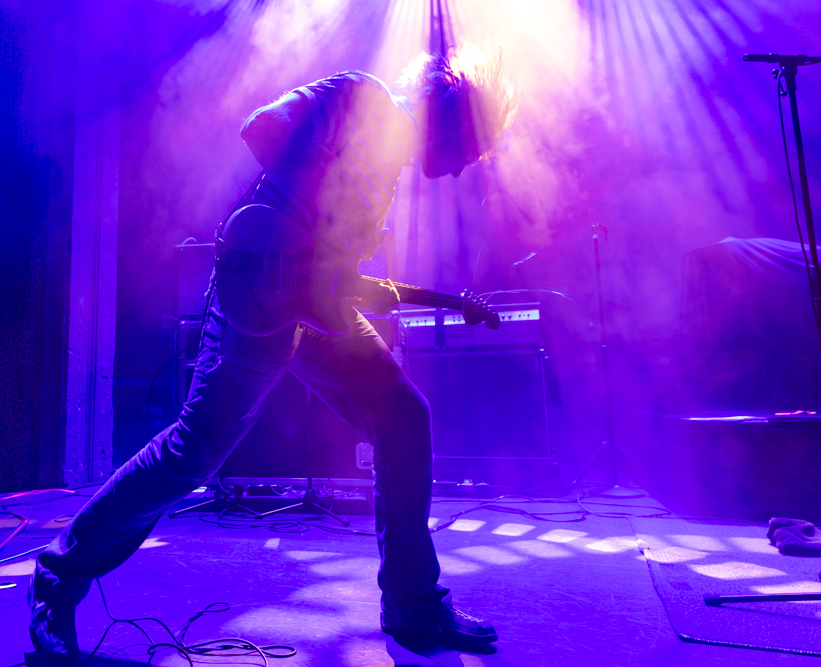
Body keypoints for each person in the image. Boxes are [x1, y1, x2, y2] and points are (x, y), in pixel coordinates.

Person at [28, 48, 517, 665]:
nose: (461, 170)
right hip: (258, 299)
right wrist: (307, 229)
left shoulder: (391, 169)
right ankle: (58, 579)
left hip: (315, 312)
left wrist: (353, 276)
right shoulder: (360, 96)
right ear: (452, 119)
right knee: (191, 454)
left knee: (403, 415)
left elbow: (333, 272)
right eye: (469, 152)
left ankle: (413, 604)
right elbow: (261, 128)